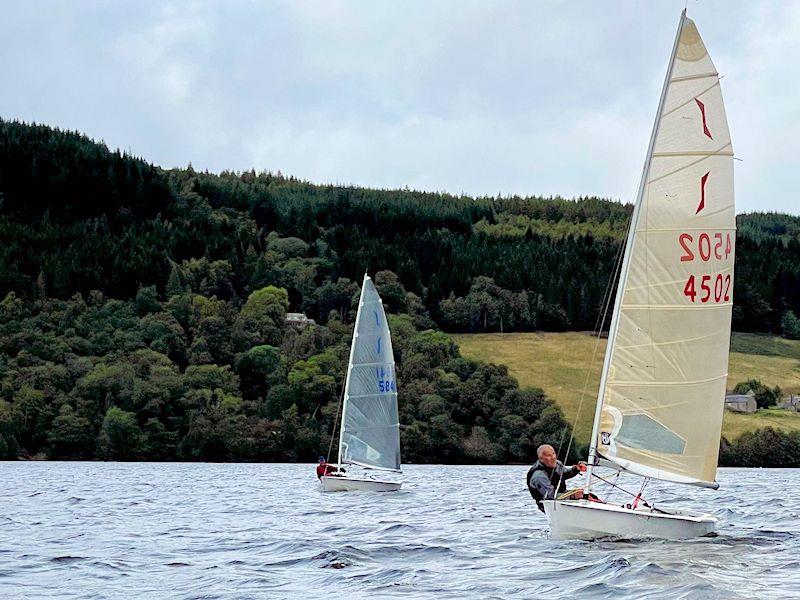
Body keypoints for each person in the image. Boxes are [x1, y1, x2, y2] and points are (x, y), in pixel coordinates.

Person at [526, 444, 588, 512]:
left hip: (562, 498)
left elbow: (565, 474)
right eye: (548, 455)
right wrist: (573, 496)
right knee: (580, 495)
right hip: (550, 505)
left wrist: (576, 469)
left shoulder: (558, 464)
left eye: (553, 453)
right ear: (541, 458)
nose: (553, 457)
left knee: (587, 495)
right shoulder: (538, 475)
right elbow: (549, 496)